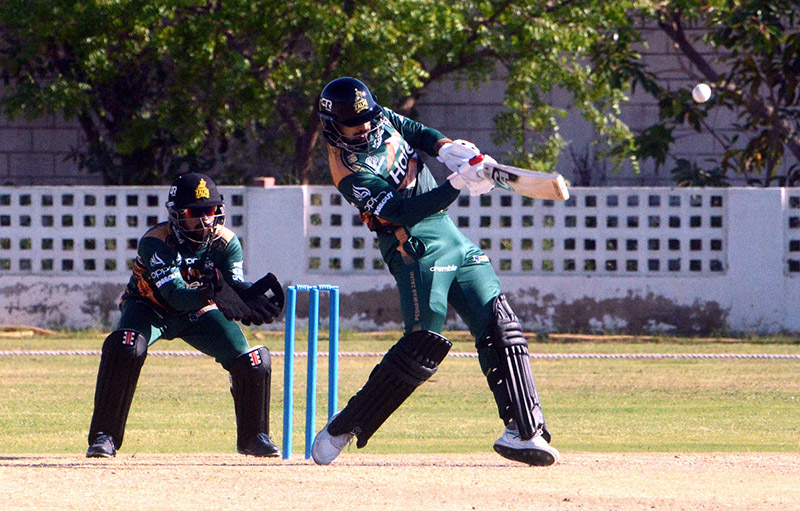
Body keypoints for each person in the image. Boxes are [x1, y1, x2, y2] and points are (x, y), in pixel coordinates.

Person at [311, 77, 560, 466]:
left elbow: (414, 130)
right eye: (354, 124)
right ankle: (346, 425)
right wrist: (458, 182)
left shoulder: (379, 118)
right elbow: (399, 211)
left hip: (449, 233)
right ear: (333, 126)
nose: (365, 127)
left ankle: (523, 431)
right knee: (422, 346)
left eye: (368, 119)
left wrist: (446, 147)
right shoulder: (347, 169)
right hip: (412, 246)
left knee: (501, 325)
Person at [86, 172, 284, 458]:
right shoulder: (156, 241)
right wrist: (213, 293)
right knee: (125, 345)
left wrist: (245, 294)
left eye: (210, 211)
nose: (204, 219)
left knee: (251, 360)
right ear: (177, 214)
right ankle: (104, 436)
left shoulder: (226, 243)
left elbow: (231, 284)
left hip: (199, 311)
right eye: (194, 212)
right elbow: (175, 296)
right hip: (150, 306)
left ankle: (254, 437)